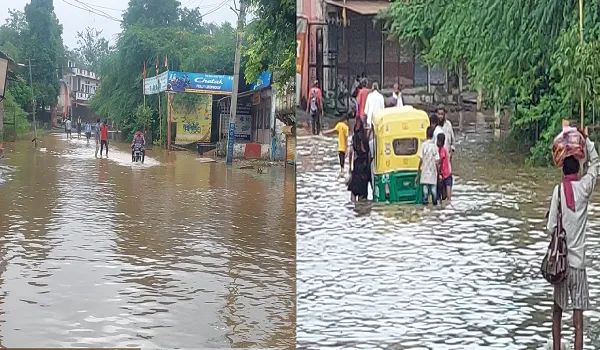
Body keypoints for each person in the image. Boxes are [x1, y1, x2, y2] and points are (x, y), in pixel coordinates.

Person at [547, 128, 599, 350]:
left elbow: (550, 228)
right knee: (578, 321)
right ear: (577, 169)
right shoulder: (585, 189)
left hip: (562, 264)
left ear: (562, 170)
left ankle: (557, 348)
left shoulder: (558, 192)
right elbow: (595, 165)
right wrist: (587, 143)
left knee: (557, 312)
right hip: (578, 265)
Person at [347, 118, 370, 201]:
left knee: (353, 192)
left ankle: (354, 210)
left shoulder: (355, 138)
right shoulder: (364, 138)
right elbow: (367, 152)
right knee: (362, 194)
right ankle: (361, 209)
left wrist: (350, 167)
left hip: (357, 166)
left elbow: (350, 152)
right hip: (363, 167)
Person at [416, 126, 440, 205]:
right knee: (433, 190)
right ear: (433, 135)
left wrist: (418, 172)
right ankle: (435, 205)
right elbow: (437, 161)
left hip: (425, 172)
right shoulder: (435, 147)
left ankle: (425, 206)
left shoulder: (423, 145)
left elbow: (421, 160)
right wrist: (438, 173)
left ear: (426, 135)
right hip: (433, 172)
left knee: (425, 190)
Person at [437, 133, 453, 201]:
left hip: (445, 175)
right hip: (447, 174)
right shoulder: (443, 150)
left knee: (447, 197)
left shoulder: (442, 151)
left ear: (440, 142)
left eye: (437, 141)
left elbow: (439, 162)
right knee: (445, 197)